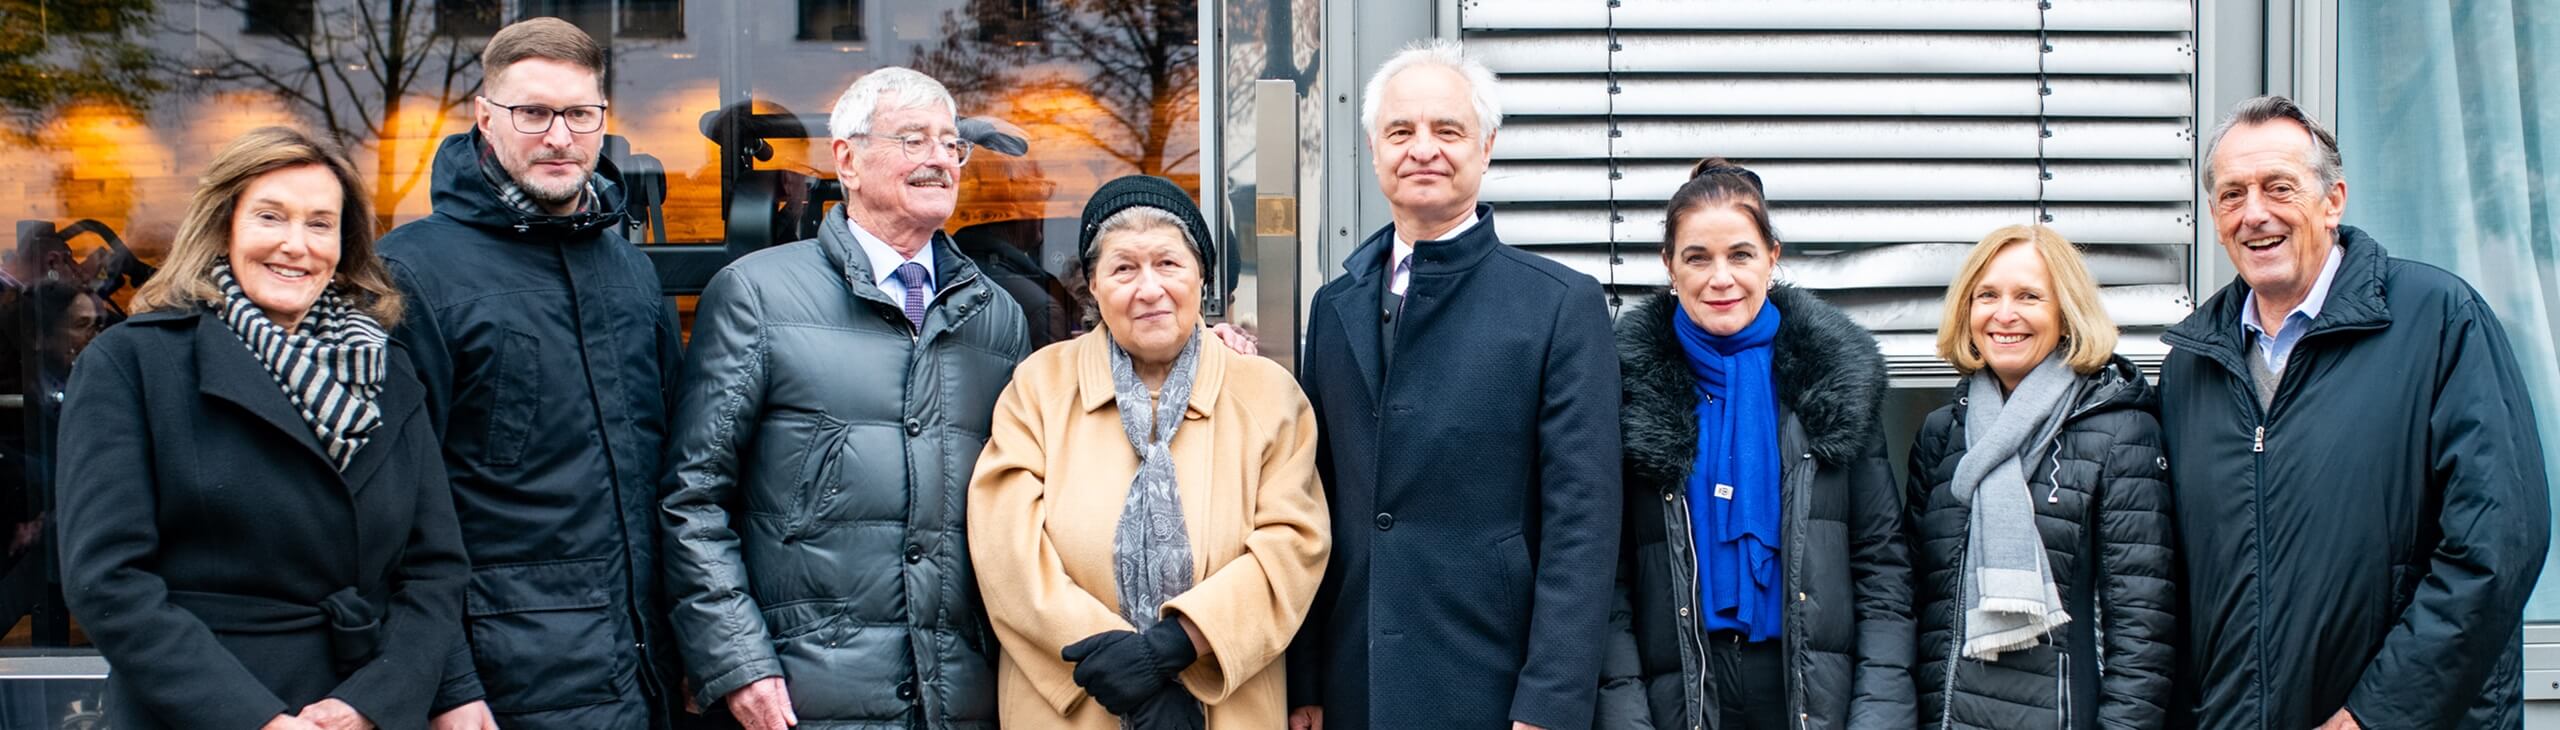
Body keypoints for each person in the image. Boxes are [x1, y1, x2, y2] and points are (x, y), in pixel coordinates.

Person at [57, 126, 467, 730]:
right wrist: (260, 720)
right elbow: (107, 582)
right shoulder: (131, 364)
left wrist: (373, 701)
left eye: (320, 223)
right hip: (203, 709)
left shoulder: (388, 367)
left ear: (343, 243)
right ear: (224, 227)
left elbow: (435, 569)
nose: (296, 246)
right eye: (271, 217)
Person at [2161, 95, 2550, 729]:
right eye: (2232, 195)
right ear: (2212, 214)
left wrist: (2375, 716)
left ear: (2333, 200)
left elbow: (2496, 545)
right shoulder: (2191, 365)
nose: (2254, 213)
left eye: (2278, 187)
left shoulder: (2439, 320)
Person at [659, 66, 1028, 730]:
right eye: (913, 139)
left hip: (964, 696)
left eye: (951, 144)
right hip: (802, 696)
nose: (939, 159)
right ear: (848, 160)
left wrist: (1204, 347)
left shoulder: (998, 318)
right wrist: (737, 661)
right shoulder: (757, 295)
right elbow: (693, 498)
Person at [1288, 39, 1622, 730]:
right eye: (1401, 131)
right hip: (1358, 683)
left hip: (1493, 686)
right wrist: (1307, 679)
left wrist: (1551, 702)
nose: (1423, 149)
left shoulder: (1558, 304)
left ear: (1487, 145)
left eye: (1448, 130)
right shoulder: (1334, 307)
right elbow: (1312, 499)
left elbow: (1582, 524)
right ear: (1375, 150)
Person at [375, 18, 682, 730]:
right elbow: (391, 513)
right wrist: (447, 683)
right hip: (501, 681)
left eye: (579, 114)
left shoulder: (630, 272)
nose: (559, 136)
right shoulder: (414, 272)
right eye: (534, 113)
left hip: (642, 676)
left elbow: (665, 478)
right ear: (485, 118)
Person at [969, 175, 1331, 729]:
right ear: (1091, 285)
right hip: (1075, 697)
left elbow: (1294, 545)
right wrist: (1117, 664)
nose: (1149, 288)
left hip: (1222, 701)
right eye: (1122, 268)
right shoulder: (1039, 387)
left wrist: (1175, 644)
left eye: (1168, 263)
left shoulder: (1267, 393)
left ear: (1201, 276)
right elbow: (1006, 550)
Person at [1593, 159, 1910, 730]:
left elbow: (1882, 569)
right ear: (1669, 266)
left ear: (1772, 256)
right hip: (1679, 697)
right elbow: (1602, 581)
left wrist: (1878, 716)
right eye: (1697, 257)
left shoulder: (1831, 385)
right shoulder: (1621, 389)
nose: (1721, 278)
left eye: (1740, 254)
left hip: (1813, 695)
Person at [1904, 224, 2175, 729]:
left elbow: (2143, 634)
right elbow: (1921, 605)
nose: (2004, 314)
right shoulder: (1944, 434)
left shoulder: (2120, 431)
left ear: (2065, 314)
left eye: (2028, 296)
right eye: (1988, 295)